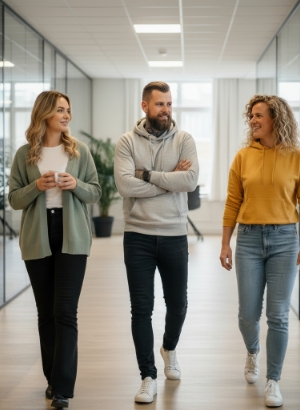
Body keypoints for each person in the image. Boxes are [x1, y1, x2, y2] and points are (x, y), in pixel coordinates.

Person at [8, 91, 101, 409]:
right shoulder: (24, 155)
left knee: (65, 312)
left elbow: (95, 193)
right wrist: (37, 186)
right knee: (45, 313)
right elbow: (14, 200)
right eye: (60, 110)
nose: (66, 115)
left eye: (68, 110)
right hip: (37, 237)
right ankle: (52, 380)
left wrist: (75, 184)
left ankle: (62, 389)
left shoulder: (79, 151)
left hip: (72, 236)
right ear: (45, 113)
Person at [114, 81, 199, 404]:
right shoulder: (126, 142)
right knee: (141, 309)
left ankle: (169, 348)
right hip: (138, 236)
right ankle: (147, 375)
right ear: (145, 106)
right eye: (159, 104)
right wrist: (168, 181)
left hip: (175, 234)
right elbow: (125, 186)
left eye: (169, 104)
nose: (166, 110)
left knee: (178, 304)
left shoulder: (184, 139)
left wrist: (147, 175)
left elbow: (189, 181)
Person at [220, 95, 300, 408]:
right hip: (249, 240)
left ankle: (273, 380)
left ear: (275, 120)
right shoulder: (242, 157)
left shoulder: (295, 157)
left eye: (259, 115)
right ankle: (253, 351)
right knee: (247, 315)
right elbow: (232, 202)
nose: (253, 120)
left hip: (285, 238)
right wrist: (226, 242)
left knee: (278, 315)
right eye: (251, 116)